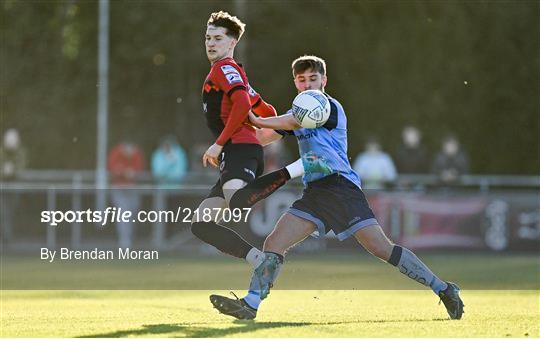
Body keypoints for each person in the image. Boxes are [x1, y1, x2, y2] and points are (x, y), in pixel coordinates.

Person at [209, 55, 464, 321]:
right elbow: (263, 137)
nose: (307, 84)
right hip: (315, 193)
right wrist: (232, 136)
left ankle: (444, 289)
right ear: (295, 83)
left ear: (324, 80)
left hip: (341, 187)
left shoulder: (328, 106)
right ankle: (251, 304)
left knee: (381, 248)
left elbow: (289, 123)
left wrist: (255, 118)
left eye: (313, 79)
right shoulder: (297, 110)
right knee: (274, 242)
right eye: (301, 80)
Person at [191, 11, 304, 269]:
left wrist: (220, 143)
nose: (210, 43)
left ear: (232, 43)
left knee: (238, 201)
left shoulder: (224, 68)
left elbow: (243, 103)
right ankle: (259, 260)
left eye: (218, 38)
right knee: (201, 225)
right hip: (241, 150)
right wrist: (262, 137)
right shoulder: (234, 73)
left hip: (238, 150)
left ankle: (300, 167)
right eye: (208, 38)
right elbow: (267, 111)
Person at [108, 140, 145, 248]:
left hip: (133, 188)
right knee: (123, 214)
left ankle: (130, 238)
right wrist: (124, 172)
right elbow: (113, 169)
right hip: (119, 189)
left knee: (133, 213)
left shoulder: (136, 153)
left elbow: (139, 170)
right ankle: (124, 241)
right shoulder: (116, 152)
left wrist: (132, 173)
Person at [0, 128, 27, 242]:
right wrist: (4, 171)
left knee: (11, 213)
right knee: (3, 212)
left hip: (15, 188)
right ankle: (6, 238)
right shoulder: (1, 152)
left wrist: (13, 170)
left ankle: (10, 238)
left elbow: (21, 168)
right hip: (2, 188)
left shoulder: (21, 153)